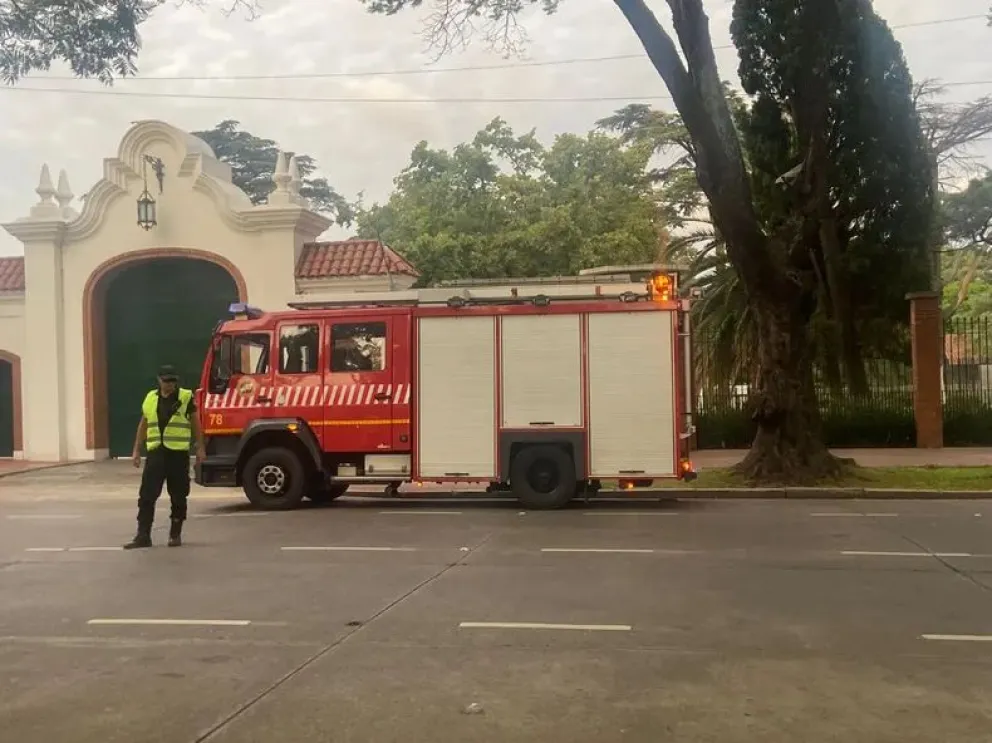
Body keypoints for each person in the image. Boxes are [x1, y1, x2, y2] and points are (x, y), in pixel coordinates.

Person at [123, 365, 206, 549]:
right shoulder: (150, 399)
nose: (170, 384)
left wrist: (200, 446)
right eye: (167, 381)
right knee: (146, 496)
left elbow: (195, 422)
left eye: (173, 381)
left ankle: (175, 534)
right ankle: (143, 535)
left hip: (177, 454)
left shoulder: (185, 397)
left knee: (178, 495)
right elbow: (143, 424)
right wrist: (136, 449)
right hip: (156, 454)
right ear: (159, 380)